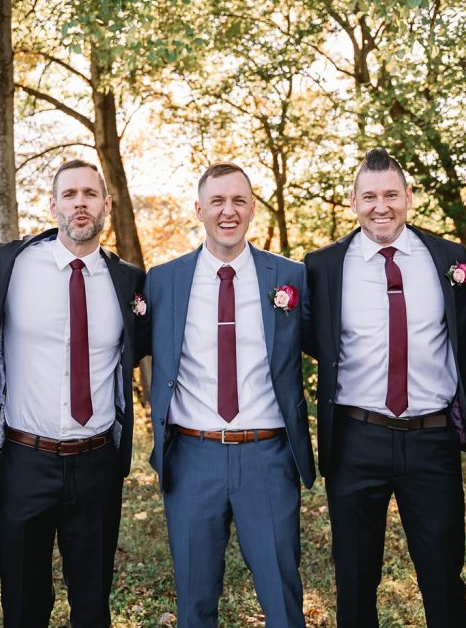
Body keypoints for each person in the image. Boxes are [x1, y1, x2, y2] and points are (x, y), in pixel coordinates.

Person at [303, 148, 466, 628]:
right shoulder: (322, 267)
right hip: (357, 439)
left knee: (443, 575)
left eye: (390, 195)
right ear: (352, 202)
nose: (380, 206)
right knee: (356, 580)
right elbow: (309, 341)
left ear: (408, 197)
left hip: (431, 438)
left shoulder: (449, 258)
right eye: (369, 196)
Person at [0, 159, 147, 628]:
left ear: (106, 205)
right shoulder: (6, 265)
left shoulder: (128, 280)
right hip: (26, 460)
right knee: (25, 604)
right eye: (69, 194)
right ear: (52, 205)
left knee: (92, 605)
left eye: (90, 194)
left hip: (96, 463)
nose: (80, 203)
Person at [143, 162, 315, 627]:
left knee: (282, 599)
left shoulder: (290, 277)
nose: (228, 210)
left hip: (267, 456)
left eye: (238, 200)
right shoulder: (163, 281)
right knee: (195, 604)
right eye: (217, 201)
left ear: (253, 208)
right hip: (192, 457)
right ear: (199, 209)